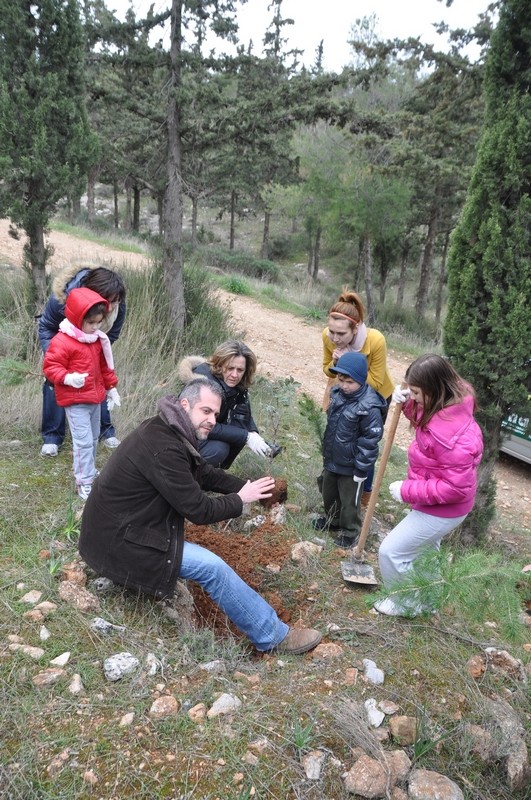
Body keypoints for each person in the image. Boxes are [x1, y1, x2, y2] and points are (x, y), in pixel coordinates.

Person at [78, 379, 322, 655]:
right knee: (212, 568)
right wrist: (242, 499)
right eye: (205, 411)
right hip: (121, 544)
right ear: (185, 405)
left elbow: (203, 473)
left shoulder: (166, 429)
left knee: (208, 562)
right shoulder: (164, 447)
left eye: (215, 414)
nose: (212, 420)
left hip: (123, 529)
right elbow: (199, 510)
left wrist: (247, 486)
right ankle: (273, 637)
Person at [375, 354, 484, 617]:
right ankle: (429, 599)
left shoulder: (453, 440)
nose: (411, 395)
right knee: (426, 554)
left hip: (445, 508)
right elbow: (426, 418)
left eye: (415, 392)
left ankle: (405, 603)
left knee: (391, 552)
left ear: (434, 390)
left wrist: (406, 490)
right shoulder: (446, 404)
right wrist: (406, 405)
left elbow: (455, 488)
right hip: (436, 502)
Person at [38, 264, 126, 457]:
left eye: (115, 302)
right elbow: (46, 327)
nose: (111, 307)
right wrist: (58, 357)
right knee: (55, 381)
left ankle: (105, 430)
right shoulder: (62, 299)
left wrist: (92, 353)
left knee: (97, 379)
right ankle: (52, 436)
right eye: (107, 301)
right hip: (62, 343)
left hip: (93, 341)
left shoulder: (118, 304)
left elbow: (113, 333)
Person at [43, 288, 121, 501]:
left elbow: (104, 367)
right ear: (78, 319)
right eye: (91, 323)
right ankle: (83, 481)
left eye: (98, 323)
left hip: (95, 398)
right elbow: (50, 367)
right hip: (76, 401)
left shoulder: (95, 339)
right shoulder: (63, 340)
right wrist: (67, 378)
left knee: (93, 438)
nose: (96, 327)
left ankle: (89, 471)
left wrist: (111, 388)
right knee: (83, 442)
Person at [321, 287, 394, 506]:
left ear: (356, 328)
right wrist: (336, 364)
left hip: (374, 397)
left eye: (341, 334)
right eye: (332, 331)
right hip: (343, 393)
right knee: (340, 439)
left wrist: (350, 362)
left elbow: (376, 382)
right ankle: (336, 485)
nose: (335, 337)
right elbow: (326, 369)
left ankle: (363, 495)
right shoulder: (327, 337)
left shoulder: (375, 340)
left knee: (364, 445)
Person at [314, 352, 386, 547]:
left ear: (361, 381)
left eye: (350, 382)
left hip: (352, 465)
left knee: (349, 501)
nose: (344, 385)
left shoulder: (369, 406)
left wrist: (362, 468)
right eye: (341, 380)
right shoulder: (337, 395)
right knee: (329, 493)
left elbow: (371, 439)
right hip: (333, 458)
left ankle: (350, 531)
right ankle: (333, 521)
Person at [178, 340, 276, 468]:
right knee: (218, 449)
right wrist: (246, 436)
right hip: (183, 439)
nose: (235, 375)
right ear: (219, 365)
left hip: (201, 435)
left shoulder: (236, 386)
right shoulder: (205, 385)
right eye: (230, 368)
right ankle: (191, 479)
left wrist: (253, 433)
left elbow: (243, 411)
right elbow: (200, 423)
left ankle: (210, 477)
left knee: (237, 434)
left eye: (240, 370)